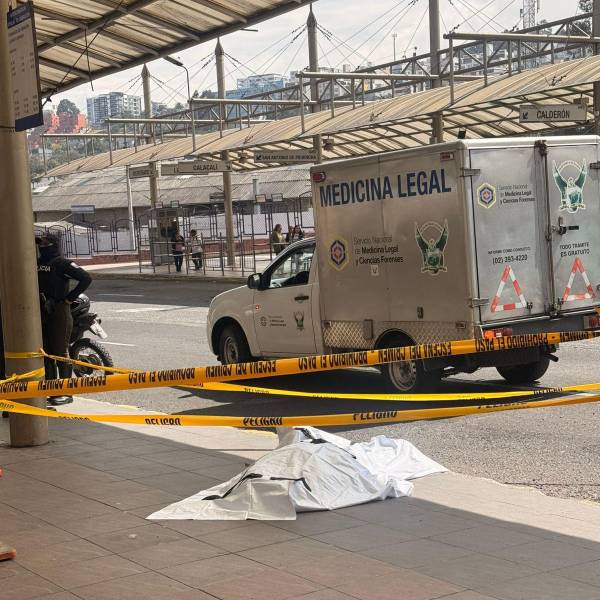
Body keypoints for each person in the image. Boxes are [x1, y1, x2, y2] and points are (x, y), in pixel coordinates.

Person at [37, 233, 92, 406]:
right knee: (46, 353)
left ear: (54, 245)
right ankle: (52, 390)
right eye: (40, 244)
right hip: (41, 310)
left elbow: (86, 278)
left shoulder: (62, 263)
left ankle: (66, 391)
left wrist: (68, 299)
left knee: (60, 351)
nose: (42, 246)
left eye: (45, 243)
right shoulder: (36, 263)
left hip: (59, 309)